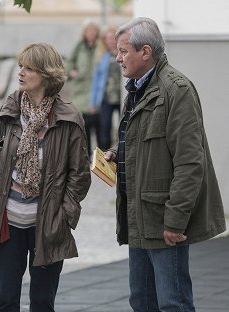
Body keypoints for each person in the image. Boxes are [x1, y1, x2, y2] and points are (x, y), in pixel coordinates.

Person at [0, 43, 91, 311]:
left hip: (48, 224)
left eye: (29, 68)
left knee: (42, 303)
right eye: (20, 66)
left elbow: (80, 175)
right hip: (6, 222)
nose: (21, 73)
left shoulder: (69, 118)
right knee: (4, 302)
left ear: (47, 74)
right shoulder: (10, 109)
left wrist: (64, 215)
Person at [104, 17, 226, 311]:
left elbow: (189, 162)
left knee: (173, 303)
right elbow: (145, 140)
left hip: (163, 222)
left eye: (123, 51)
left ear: (145, 52)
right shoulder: (136, 87)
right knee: (142, 302)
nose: (117, 58)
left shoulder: (177, 89)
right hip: (139, 218)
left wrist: (174, 221)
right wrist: (116, 151)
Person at [65, 18, 101, 156]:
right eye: (88, 30)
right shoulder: (79, 46)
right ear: (84, 32)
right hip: (81, 90)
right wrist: (72, 72)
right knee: (84, 125)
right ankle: (86, 156)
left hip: (96, 91)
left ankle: (100, 157)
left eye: (93, 31)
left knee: (98, 125)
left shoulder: (100, 46)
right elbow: (68, 64)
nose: (91, 33)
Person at [90, 25, 122, 150]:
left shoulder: (123, 54)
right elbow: (95, 81)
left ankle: (120, 154)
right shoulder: (102, 57)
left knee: (123, 129)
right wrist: (93, 102)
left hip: (121, 97)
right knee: (105, 129)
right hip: (106, 98)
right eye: (106, 39)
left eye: (111, 38)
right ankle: (104, 159)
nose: (109, 41)